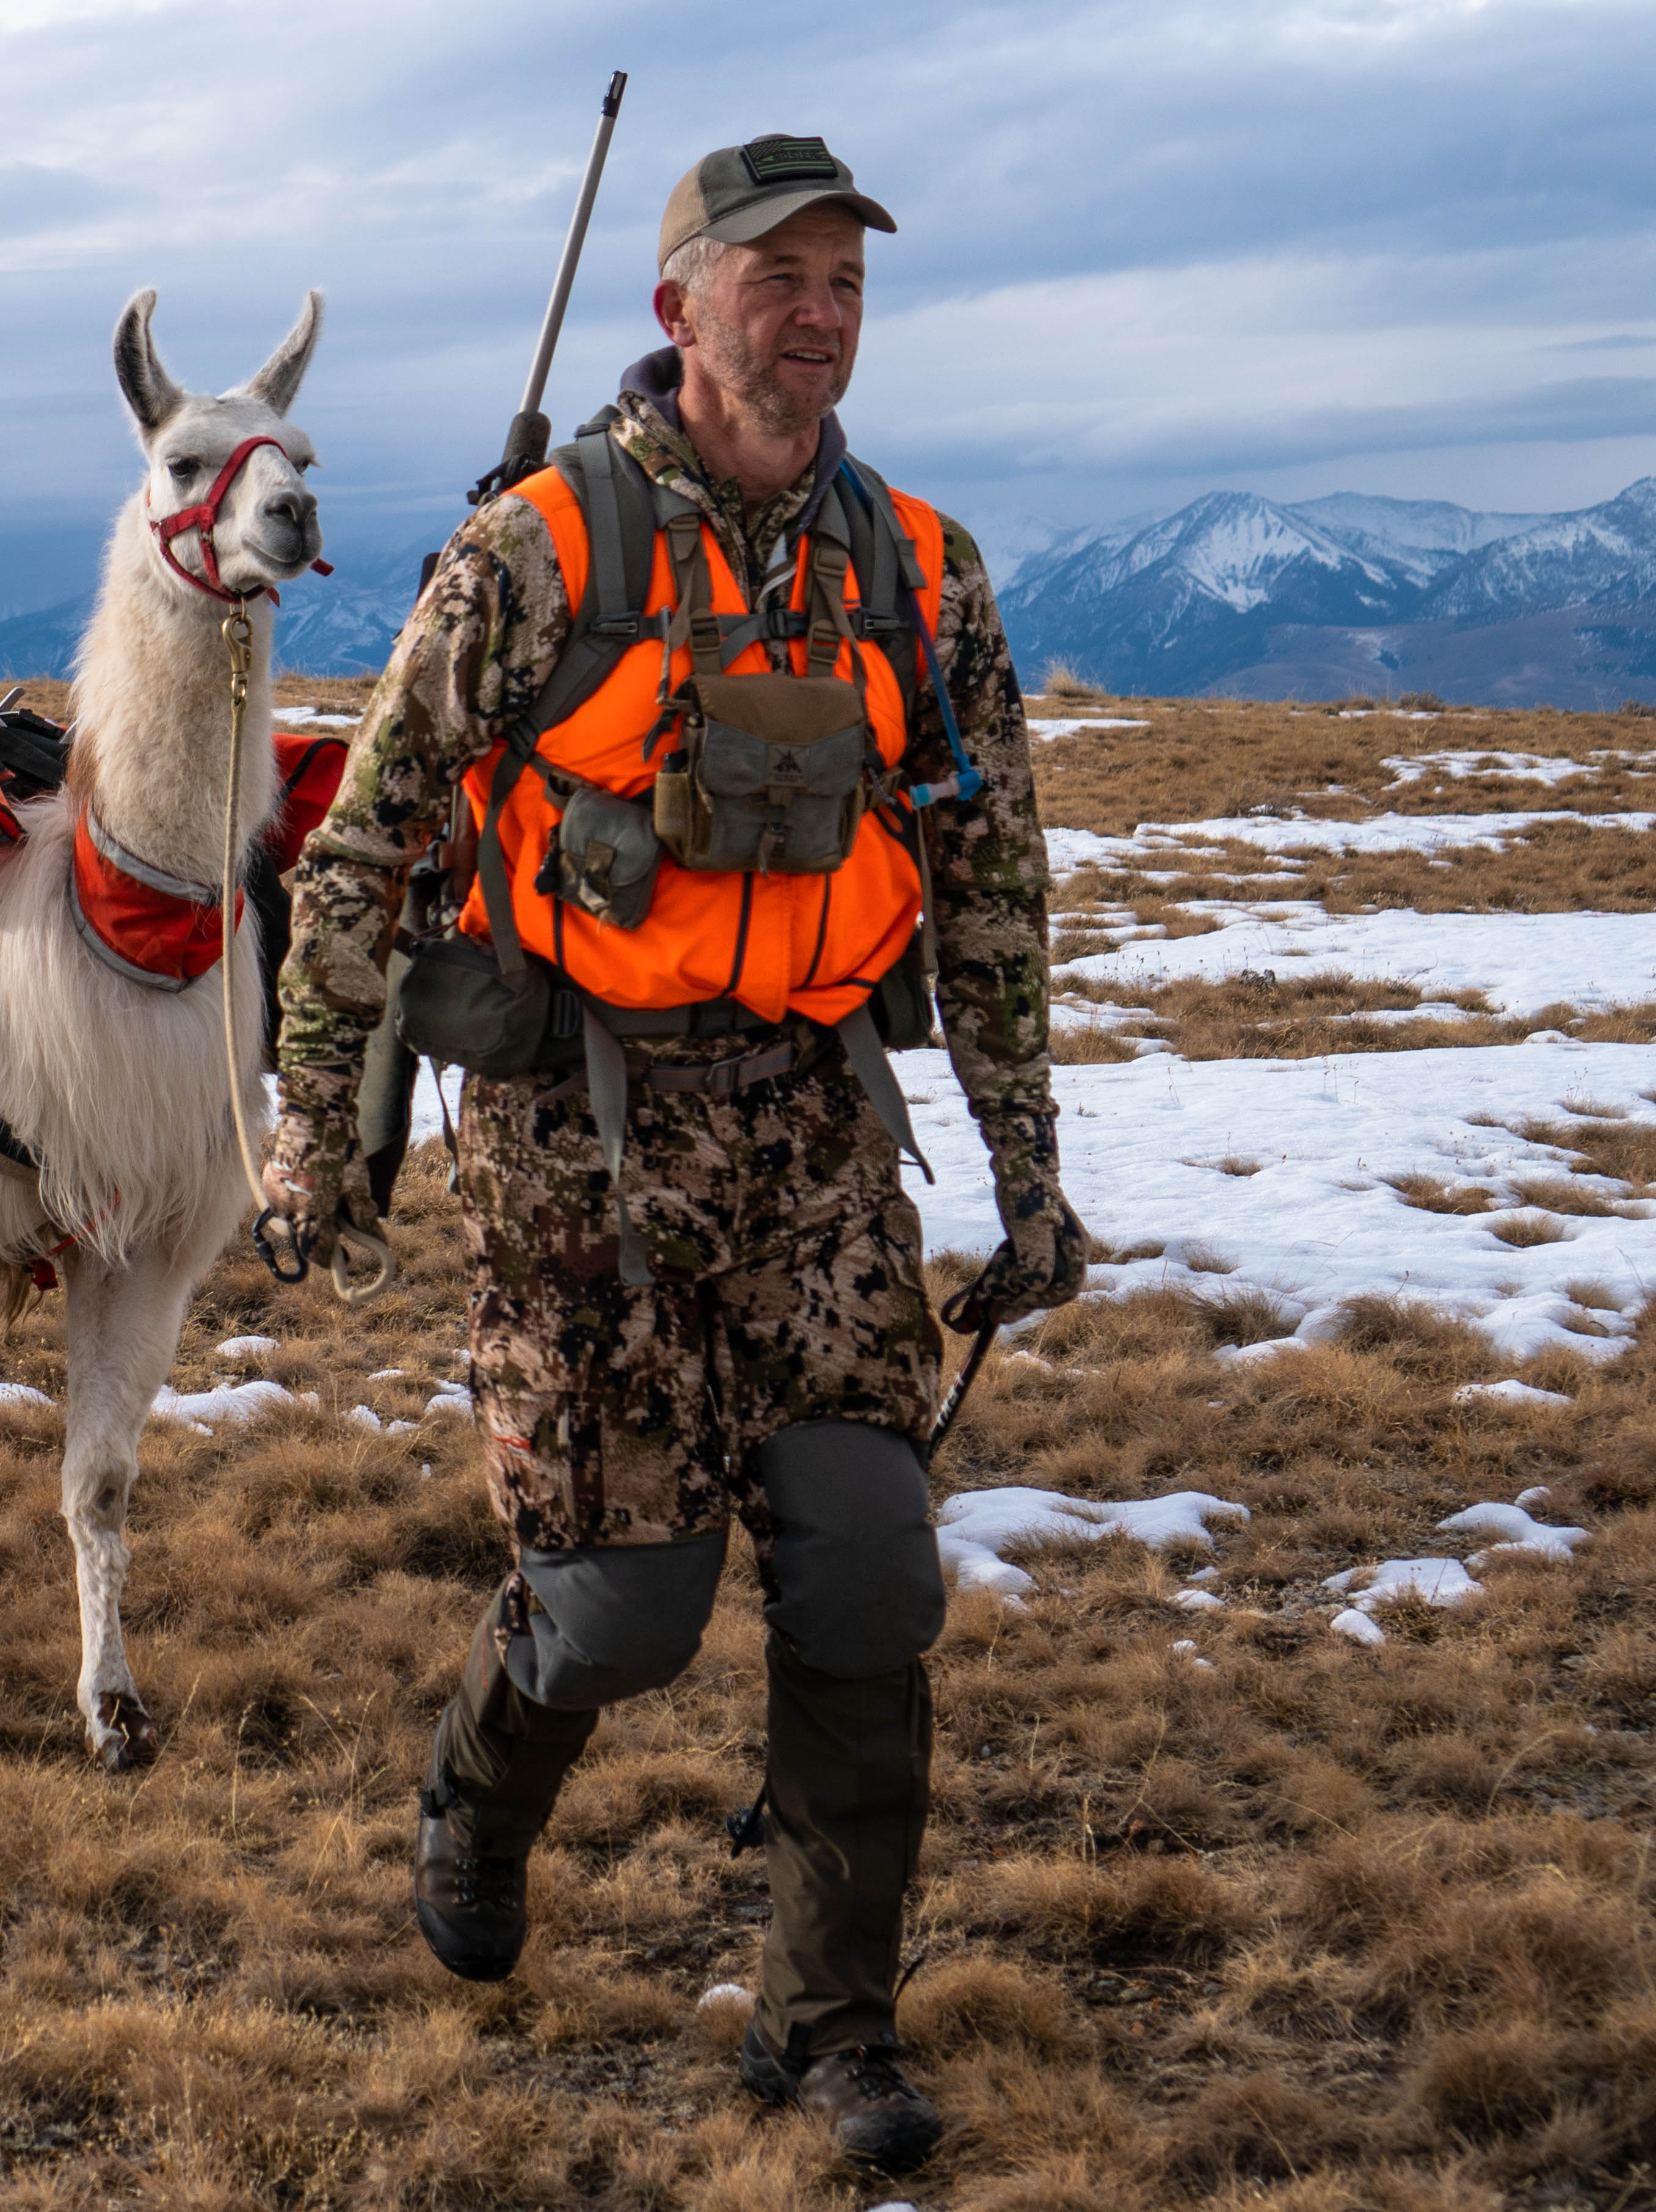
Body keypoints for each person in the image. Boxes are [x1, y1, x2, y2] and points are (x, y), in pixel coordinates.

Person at [263, 136, 1091, 2173]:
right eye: (773, 276)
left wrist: (1024, 1163)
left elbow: (986, 879)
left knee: (868, 1576)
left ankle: (828, 2028)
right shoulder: (540, 558)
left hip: (816, 1133)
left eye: (842, 282)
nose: (814, 314)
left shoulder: (922, 570)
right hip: (582, 1146)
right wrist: (313, 1132)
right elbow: (367, 837)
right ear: (679, 306)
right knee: (622, 1611)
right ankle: (482, 1781)